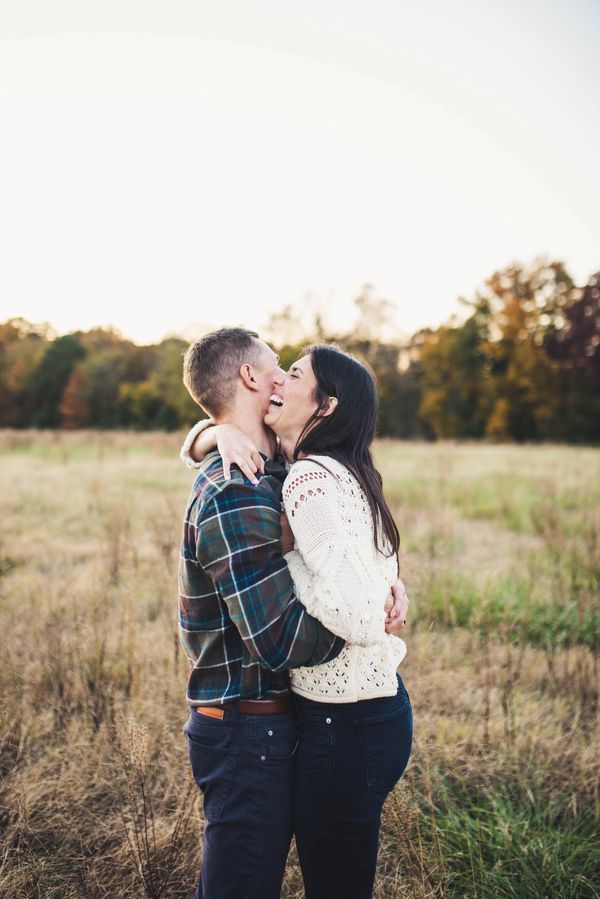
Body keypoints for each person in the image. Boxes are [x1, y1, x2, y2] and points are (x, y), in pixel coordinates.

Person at [178, 329, 407, 899]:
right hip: (244, 724)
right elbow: (281, 643)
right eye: (279, 368)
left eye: (294, 374)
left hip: (282, 721)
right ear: (252, 379)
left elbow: (344, 543)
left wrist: (383, 582)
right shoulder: (239, 487)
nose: (283, 378)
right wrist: (364, 631)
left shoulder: (279, 470)